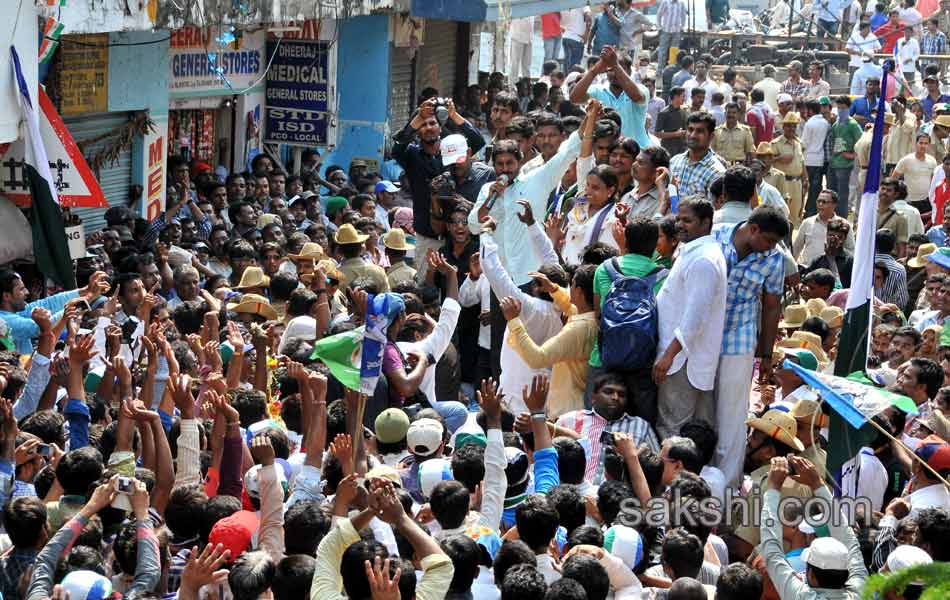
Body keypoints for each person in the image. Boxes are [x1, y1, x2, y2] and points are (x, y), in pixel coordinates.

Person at [713, 205, 789, 488]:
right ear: (753, 229)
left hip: (739, 336)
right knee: (704, 409)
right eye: (768, 240)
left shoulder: (774, 258)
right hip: (704, 335)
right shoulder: (715, 237)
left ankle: (728, 487)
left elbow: (771, 306)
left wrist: (766, 354)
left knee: (732, 417)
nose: (770, 247)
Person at [653, 196, 727, 439]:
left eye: (688, 220)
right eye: (678, 219)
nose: (680, 225)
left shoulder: (703, 260)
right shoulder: (691, 251)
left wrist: (669, 355)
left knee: (672, 431)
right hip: (682, 358)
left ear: (705, 223)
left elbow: (695, 318)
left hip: (682, 361)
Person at [392, 97, 485, 279]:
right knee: (427, 285)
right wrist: (418, 117)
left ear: (440, 126)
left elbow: (477, 141)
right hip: (427, 235)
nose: (428, 127)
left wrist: (454, 115)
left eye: (432, 122)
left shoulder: (453, 150)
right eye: (423, 124)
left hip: (459, 234)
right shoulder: (411, 155)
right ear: (417, 131)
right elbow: (396, 149)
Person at [760, 456, 868, 600]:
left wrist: (773, 487)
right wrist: (817, 485)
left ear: (811, 575)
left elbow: (772, 552)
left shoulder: (802, 596)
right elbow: (848, 538)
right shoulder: (860, 592)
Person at [570, 46, 652, 151]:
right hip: (607, 153)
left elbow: (636, 97)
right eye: (610, 70)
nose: (614, 73)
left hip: (637, 150)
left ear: (629, 72)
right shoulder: (598, 91)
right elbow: (575, 98)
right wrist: (593, 71)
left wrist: (615, 64)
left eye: (619, 69)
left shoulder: (641, 89)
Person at [670, 112, 728, 198]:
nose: (693, 135)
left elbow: (715, 208)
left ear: (711, 136)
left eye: (700, 131)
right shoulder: (675, 161)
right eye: (690, 129)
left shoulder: (716, 173)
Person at [828, 95, 863, 217]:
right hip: (834, 163)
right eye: (838, 108)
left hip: (845, 165)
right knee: (831, 192)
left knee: (842, 195)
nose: (840, 111)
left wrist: (852, 155)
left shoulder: (853, 125)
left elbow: (862, 143)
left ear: (848, 108)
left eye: (843, 108)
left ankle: (841, 218)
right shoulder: (836, 124)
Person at [800, 100, 830, 217]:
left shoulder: (810, 124)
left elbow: (804, 143)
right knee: (815, 188)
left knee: (805, 187)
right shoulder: (825, 123)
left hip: (808, 159)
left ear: (810, 110)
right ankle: (812, 210)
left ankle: (805, 210)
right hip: (819, 159)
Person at [655, 87, 689, 156]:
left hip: (682, 149)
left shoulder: (683, 112)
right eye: (683, 96)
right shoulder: (663, 113)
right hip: (668, 149)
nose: (684, 99)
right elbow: (657, 133)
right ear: (676, 97)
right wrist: (675, 134)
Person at [656, 0, 687, 73]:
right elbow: (659, 15)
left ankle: (671, 70)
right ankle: (660, 70)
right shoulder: (665, 2)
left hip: (676, 31)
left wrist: (682, 27)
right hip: (666, 30)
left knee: (674, 51)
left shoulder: (681, 3)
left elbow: (683, 16)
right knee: (662, 51)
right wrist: (659, 27)